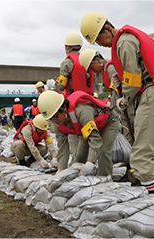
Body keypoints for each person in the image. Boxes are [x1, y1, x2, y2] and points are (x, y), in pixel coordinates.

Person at [80, 12, 154, 192]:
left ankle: (151, 197)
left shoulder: (124, 42)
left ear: (107, 28)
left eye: (99, 38)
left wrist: (124, 99)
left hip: (151, 95)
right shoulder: (126, 40)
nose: (101, 44)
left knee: (140, 154)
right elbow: (134, 72)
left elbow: (133, 78)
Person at [38, 90, 119, 176]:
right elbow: (62, 146)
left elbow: (94, 139)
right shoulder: (58, 123)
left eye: (54, 117)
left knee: (102, 151)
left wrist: (90, 162)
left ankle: (104, 179)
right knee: (79, 157)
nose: (53, 121)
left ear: (64, 108)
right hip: (86, 130)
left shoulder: (82, 112)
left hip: (107, 123)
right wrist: (61, 169)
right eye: (50, 119)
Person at [53, 33, 96, 162]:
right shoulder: (87, 61)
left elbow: (60, 85)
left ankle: (76, 165)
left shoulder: (68, 63)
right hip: (89, 103)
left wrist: (52, 87)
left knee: (74, 136)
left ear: (68, 47)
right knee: (89, 135)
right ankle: (90, 161)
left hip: (73, 104)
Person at [78, 48, 135, 144]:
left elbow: (118, 92)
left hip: (127, 107)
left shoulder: (110, 68)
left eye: (92, 68)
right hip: (123, 107)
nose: (93, 71)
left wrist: (117, 110)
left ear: (97, 60)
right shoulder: (105, 70)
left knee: (130, 132)